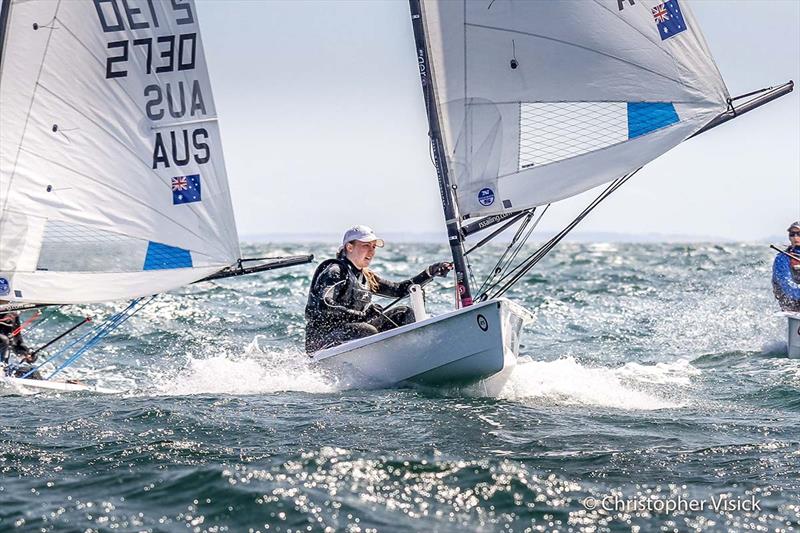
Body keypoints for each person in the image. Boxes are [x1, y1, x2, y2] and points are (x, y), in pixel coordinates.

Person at [305, 225, 453, 353]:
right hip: (322, 339)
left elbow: (399, 290)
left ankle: (411, 356)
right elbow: (324, 305)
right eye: (366, 246)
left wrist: (430, 272)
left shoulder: (366, 276)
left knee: (404, 313)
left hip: (355, 332)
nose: (371, 251)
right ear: (349, 247)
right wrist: (362, 314)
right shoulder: (335, 271)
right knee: (367, 330)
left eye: (373, 247)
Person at [0, 311, 40, 378]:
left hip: (3, 370)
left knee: (33, 372)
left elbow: (17, 343)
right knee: (4, 340)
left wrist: (26, 353)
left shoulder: (12, 314)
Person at [772, 221, 800, 311]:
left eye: (799, 234)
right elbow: (787, 286)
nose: (795, 237)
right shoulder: (782, 258)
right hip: (792, 303)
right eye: (792, 234)